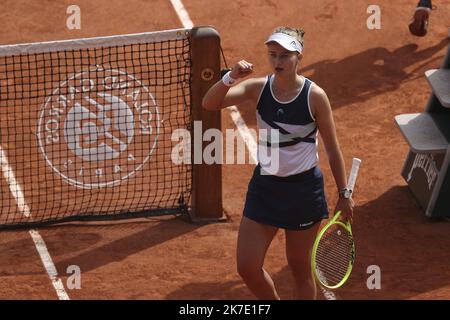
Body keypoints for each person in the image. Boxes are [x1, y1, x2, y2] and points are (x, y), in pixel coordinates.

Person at [202, 27, 354, 300]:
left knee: (300, 271)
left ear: (299, 57)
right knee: (247, 267)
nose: (278, 61)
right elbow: (210, 104)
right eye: (273, 55)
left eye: (285, 56)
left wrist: (344, 194)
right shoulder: (258, 88)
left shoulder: (314, 96)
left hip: (303, 191)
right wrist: (231, 77)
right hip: (266, 187)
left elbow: (332, 148)